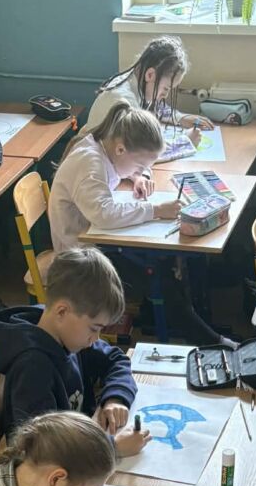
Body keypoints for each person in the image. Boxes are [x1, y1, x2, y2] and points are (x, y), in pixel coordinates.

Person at [49, 101, 232, 347]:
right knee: (156, 274)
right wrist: (155, 210)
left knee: (164, 264)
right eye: (140, 165)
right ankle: (210, 340)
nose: (143, 169)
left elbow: (123, 171)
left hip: (97, 242)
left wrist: (138, 176)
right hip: (79, 258)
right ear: (121, 149)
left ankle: (191, 326)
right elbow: (104, 214)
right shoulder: (89, 163)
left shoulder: (106, 148)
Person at [0, 248, 149, 456]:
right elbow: (44, 450)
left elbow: (116, 359)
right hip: (53, 466)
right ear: (62, 311)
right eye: (94, 328)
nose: (96, 339)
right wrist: (112, 447)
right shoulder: (32, 370)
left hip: (80, 445)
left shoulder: (67, 335)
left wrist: (116, 398)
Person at [86, 35, 210, 140]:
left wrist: (180, 118)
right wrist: (186, 140)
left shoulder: (134, 80)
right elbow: (142, 150)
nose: (165, 95)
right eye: (166, 89)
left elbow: (153, 105)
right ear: (150, 75)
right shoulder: (124, 101)